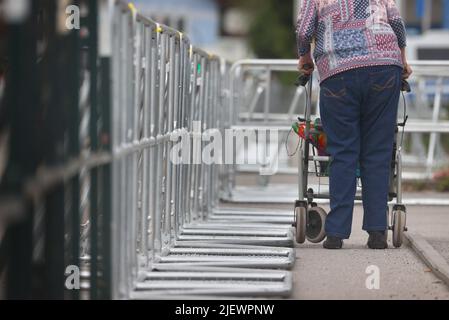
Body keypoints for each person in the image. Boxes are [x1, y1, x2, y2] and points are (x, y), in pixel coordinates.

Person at [296, 0, 412, 249]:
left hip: (338, 72)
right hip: (384, 67)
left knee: (343, 151)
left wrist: (305, 57)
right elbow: (397, 25)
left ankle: (336, 233)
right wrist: (402, 61)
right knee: (378, 152)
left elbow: (305, 30)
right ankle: (378, 232)